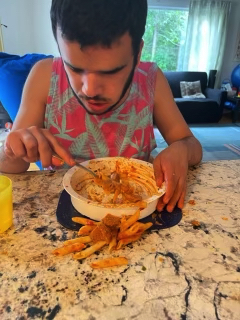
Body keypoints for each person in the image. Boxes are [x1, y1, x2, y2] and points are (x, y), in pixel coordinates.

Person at [0, 0, 202, 212]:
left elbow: (192, 146)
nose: (90, 90)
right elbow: (11, 165)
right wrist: (12, 149)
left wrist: (182, 149)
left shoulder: (152, 81)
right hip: (61, 211)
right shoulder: (43, 77)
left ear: (137, 53)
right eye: (74, 68)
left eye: (110, 72)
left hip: (136, 210)